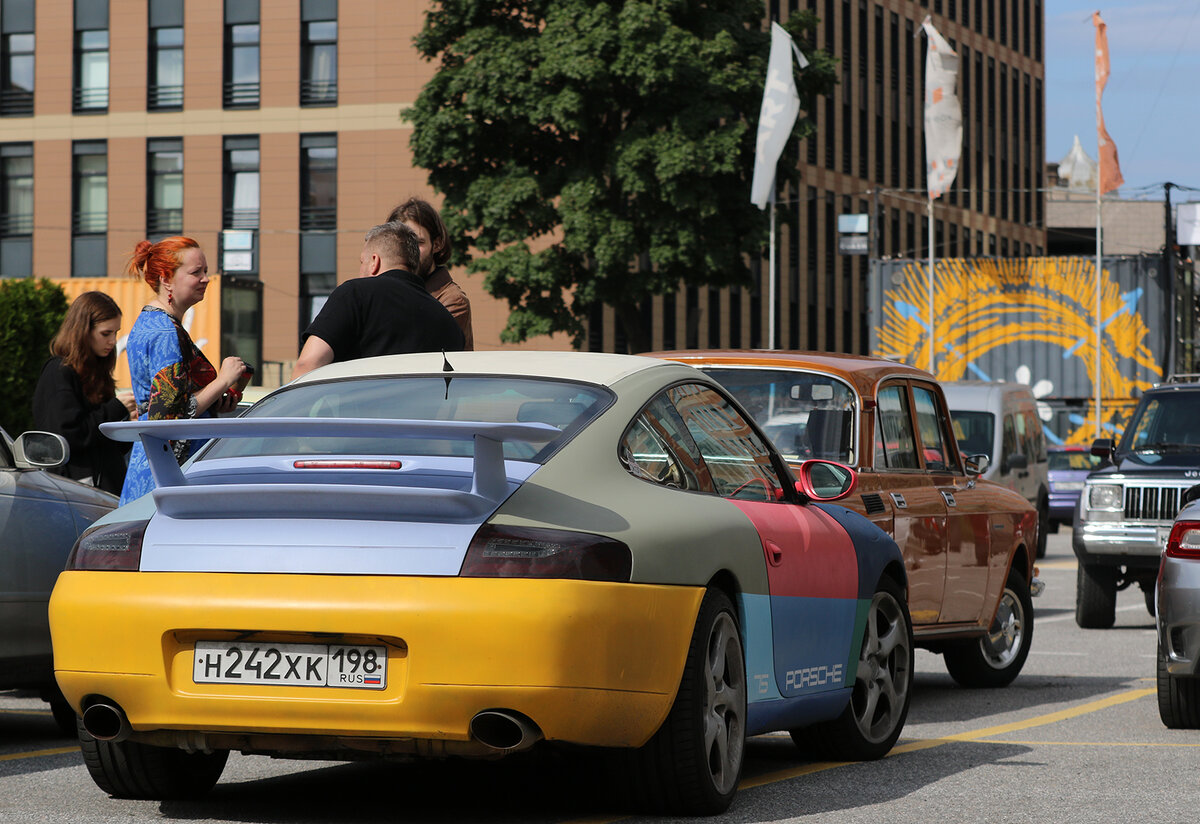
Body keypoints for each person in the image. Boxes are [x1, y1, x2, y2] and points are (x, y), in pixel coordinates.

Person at [120, 237, 247, 504]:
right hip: (168, 476)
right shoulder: (165, 332)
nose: (206, 278)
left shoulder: (151, 323)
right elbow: (169, 419)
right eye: (195, 272)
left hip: (153, 466)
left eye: (205, 271)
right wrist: (223, 381)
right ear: (166, 279)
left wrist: (215, 401)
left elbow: (168, 407)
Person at [292, 221, 465, 379]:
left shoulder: (355, 294)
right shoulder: (448, 323)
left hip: (358, 412)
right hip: (422, 414)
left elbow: (307, 364)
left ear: (374, 261)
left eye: (362, 262)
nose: (360, 269)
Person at [31, 291, 137, 495]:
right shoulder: (59, 372)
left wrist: (127, 427)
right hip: (79, 493)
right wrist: (116, 408)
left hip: (106, 491)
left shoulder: (96, 373)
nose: (113, 341)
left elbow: (105, 445)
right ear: (83, 331)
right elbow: (68, 436)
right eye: (106, 333)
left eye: (116, 333)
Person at [386, 197, 474, 349]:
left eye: (417, 243)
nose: (409, 252)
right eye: (400, 245)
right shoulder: (389, 291)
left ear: (437, 244)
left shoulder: (453, 301)